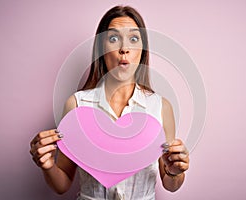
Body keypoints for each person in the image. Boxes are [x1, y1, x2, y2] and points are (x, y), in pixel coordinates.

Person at [30, 5, 189, 200]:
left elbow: (170, 184)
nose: (124, 49)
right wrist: (47, 166)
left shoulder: (161, 107)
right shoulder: (77, 105)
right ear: (101, 49)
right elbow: (62, 184)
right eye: (113, 39)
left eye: (133, 39)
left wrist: (175, 171)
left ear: (142, 49)